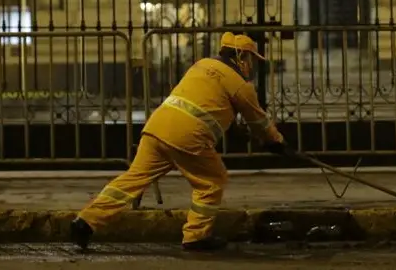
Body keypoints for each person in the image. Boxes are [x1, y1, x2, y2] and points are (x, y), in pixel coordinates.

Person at [71, 32, 289, 251]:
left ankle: (86, 221)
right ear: (241, 56)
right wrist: (275, 142)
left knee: (131, 180)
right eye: (251, 58)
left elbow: (206, 101)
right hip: (188, 137)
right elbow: (258, 120)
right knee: (212, 181)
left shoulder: (201, 65)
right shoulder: (241, 85)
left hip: (157, 128)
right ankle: (196, 236)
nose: (251, 65)